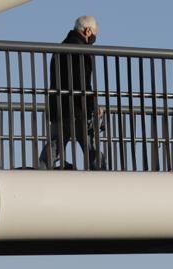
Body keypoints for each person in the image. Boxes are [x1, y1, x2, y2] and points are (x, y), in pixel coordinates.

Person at [38, 16, 105, 170]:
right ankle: (102, 178)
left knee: (54, 145)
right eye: (94, 33)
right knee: (92, 149)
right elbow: (83, 84)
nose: (94, 37)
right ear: (87, 31)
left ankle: (41, 173)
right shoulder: (82, 51)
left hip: (58, 106)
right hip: (77, 110)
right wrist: (93, 107)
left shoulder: (59, 49)